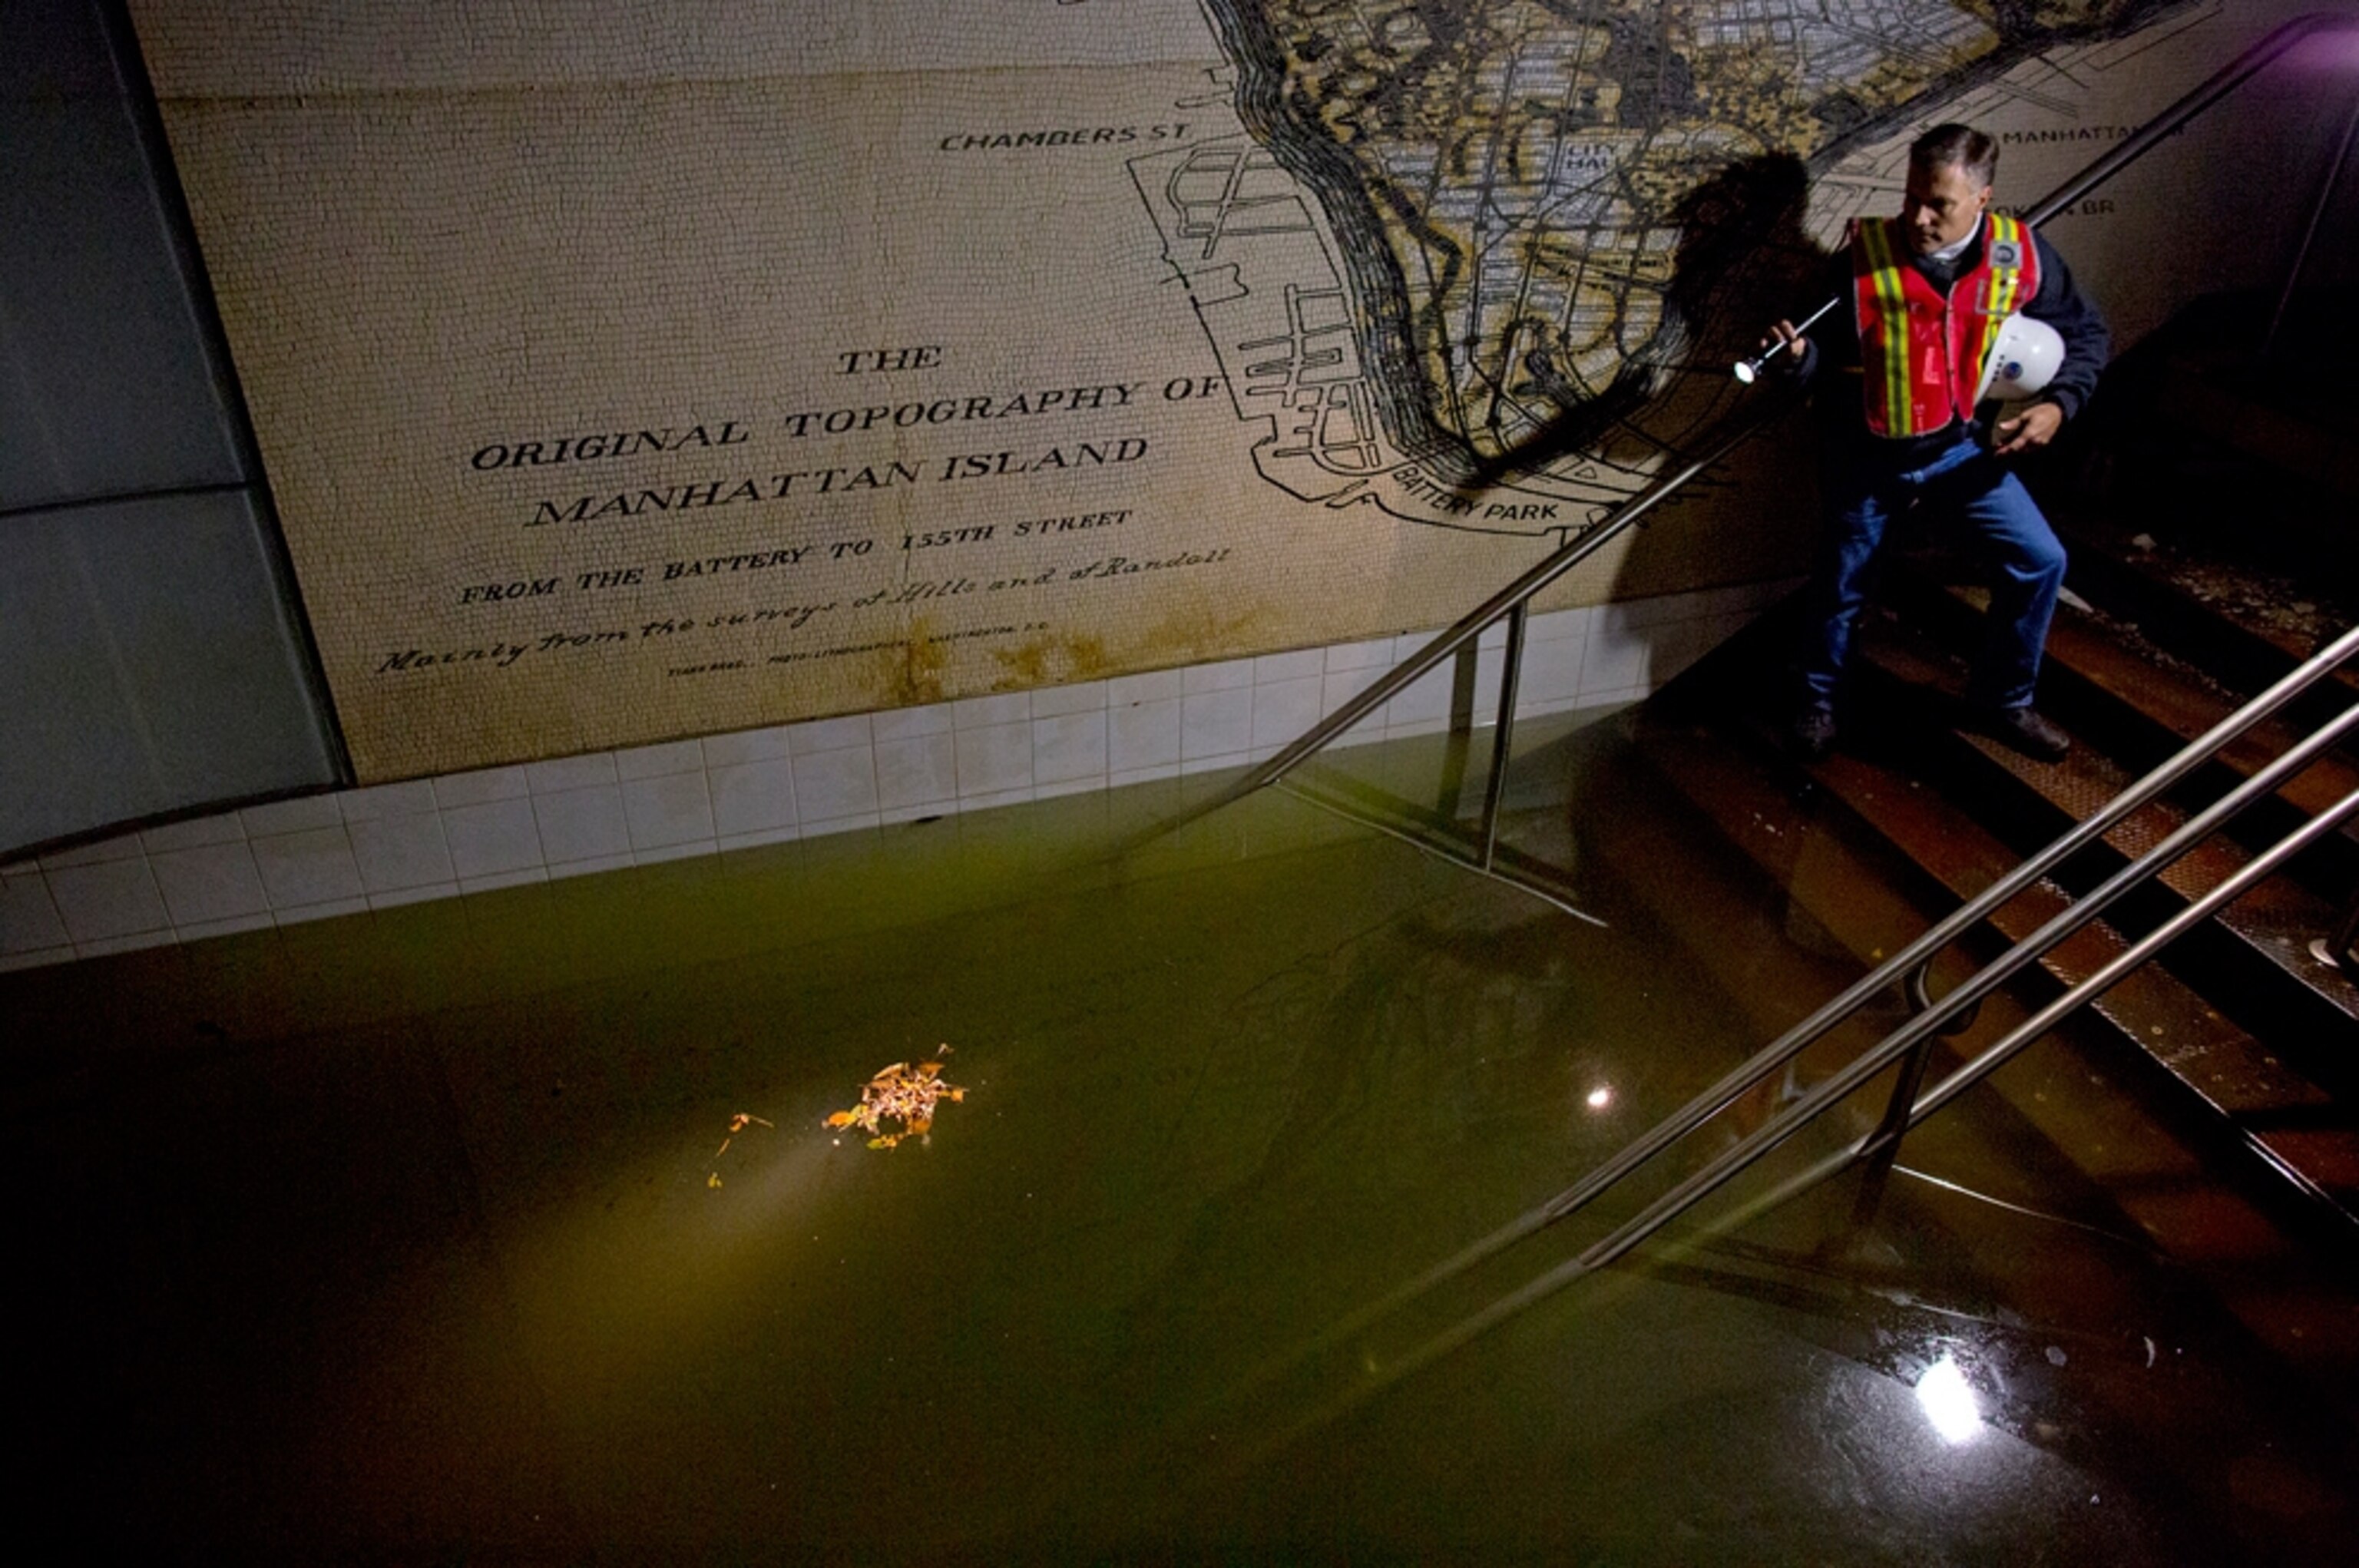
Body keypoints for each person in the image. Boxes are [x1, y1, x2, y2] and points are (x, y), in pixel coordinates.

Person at [1770, 123, 2109, 762]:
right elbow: (1822, 362)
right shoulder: (1863, 257)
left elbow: (2088, 333)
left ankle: (2003, 700)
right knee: (1843, 582)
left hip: (1960, 452)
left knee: (2041, 561)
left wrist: (2058, 408)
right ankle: (1817, 702)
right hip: (1867, 450)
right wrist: (1797, 360)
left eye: (1939, 205)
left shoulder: (2023, 254)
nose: (1919, 217)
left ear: (1982, 199)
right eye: (1911, 198)